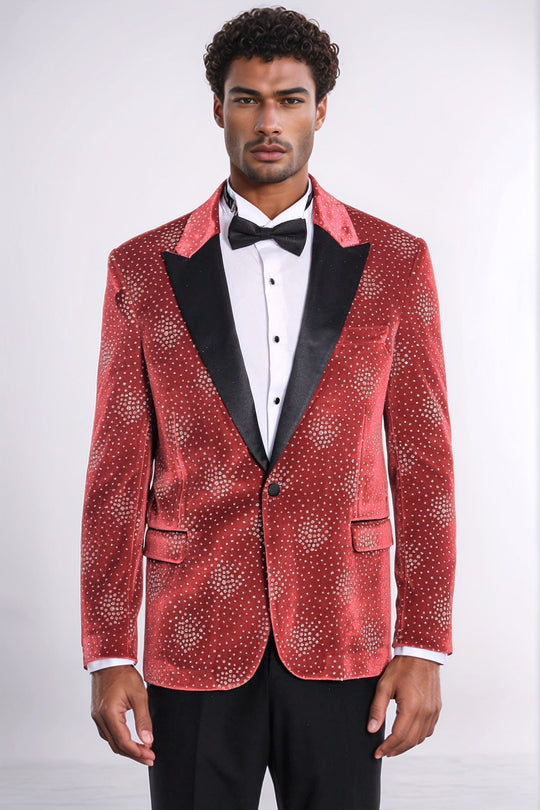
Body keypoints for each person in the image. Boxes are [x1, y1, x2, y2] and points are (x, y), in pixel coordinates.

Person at [81, 7, 456, 809]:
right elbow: (116, 473)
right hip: (192, 637)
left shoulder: (396, 263)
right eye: (247, 99)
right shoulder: (141, 269)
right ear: (218, 108)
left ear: (321, 109)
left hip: (345, 634)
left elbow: (423, 465)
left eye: (289, 99)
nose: (268, 121)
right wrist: (109, 651)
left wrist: (423, 641)